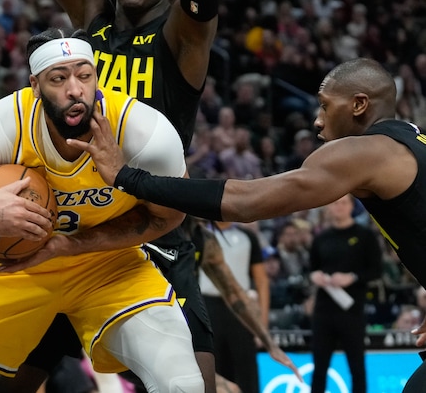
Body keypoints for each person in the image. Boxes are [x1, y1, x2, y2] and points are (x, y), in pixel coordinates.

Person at [68, 57, 426, 391]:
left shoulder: (366, 151)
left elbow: (244, 203)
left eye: (325, 105)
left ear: (359, 105)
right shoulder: (411, 141)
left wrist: (127, 177)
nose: (317, 119)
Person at [0, 27, 204, 393]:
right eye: (58, 78)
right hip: (15, 268)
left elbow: (169, 216)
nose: (75, 89)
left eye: (84, 75)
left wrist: (71, 245)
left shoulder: (143, 132)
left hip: (109, 264)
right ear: (35, 85)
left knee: (184, 383)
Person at [5, 0, 221, 391]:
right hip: (79, 222)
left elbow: (203, 4)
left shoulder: (180, 31)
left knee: (195, 383)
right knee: (14, 381)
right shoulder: (94, 13)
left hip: (151, 225)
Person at [308, 194, 382, 393]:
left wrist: (353, 277)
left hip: (352, 310)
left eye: (343, 203)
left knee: (356, 366)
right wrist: (315, 277)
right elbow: (311, 268)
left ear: (351, 206)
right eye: (334, 203)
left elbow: (376, 270)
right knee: (319, 367)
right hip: (324, 310)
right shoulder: (320, 238)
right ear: (328, 208)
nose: (339, 207)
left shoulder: (365, 236)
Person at [198, 221, 269, 393]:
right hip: (208, 306)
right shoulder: (198, 235)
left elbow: (261, 281)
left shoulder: (248, 237)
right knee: (214, 371)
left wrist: (263, 326)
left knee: (247, 372)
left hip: (240, 309)